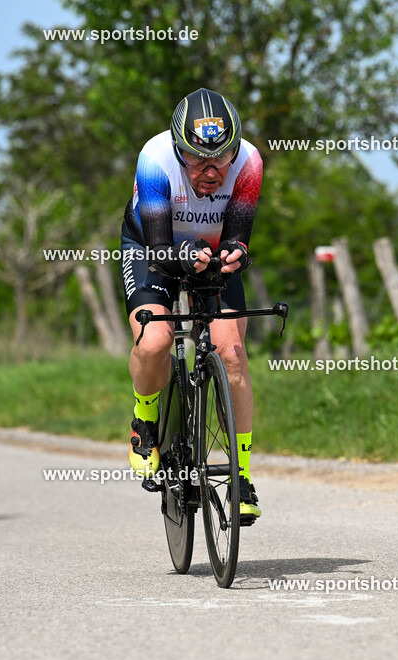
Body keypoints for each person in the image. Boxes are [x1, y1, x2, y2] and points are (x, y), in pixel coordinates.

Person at [120, 87, 263, 519]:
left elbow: (238, 235)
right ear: (179, 149)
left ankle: (242, 477)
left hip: (211, 250)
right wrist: (180, 256)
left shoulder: (250, 163)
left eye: (222, 158)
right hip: (152, 245)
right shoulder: (155, 158)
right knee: (156, 340)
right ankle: (145, 420)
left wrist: (235, 252)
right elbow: (161, 248)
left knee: (233, 354)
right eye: (199, 161)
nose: (212, 172)